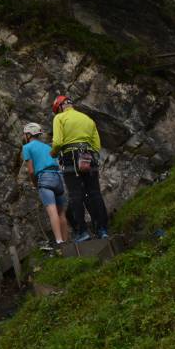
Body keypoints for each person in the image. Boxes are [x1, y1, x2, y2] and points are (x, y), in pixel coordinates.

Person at [49, 95, 109, 242]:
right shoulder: (87, 119)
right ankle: (102, 230)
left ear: (60, 107)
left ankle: (82, 232)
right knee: (95, 193)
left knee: (76, 195)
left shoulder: (60, 118)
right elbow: (96, 145)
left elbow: (57, 142)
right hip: (89, 156)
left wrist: (53, 153)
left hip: (71, 158)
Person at [22, 122, 68, 247]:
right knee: (61, 213)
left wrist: (35, 184)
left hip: (44, 178)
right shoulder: (48, 147)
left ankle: (59, 241)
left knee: (52, 212)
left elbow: (31, 171)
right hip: (58, 177)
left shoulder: (26, 148)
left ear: (28, 134)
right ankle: (66, 241)